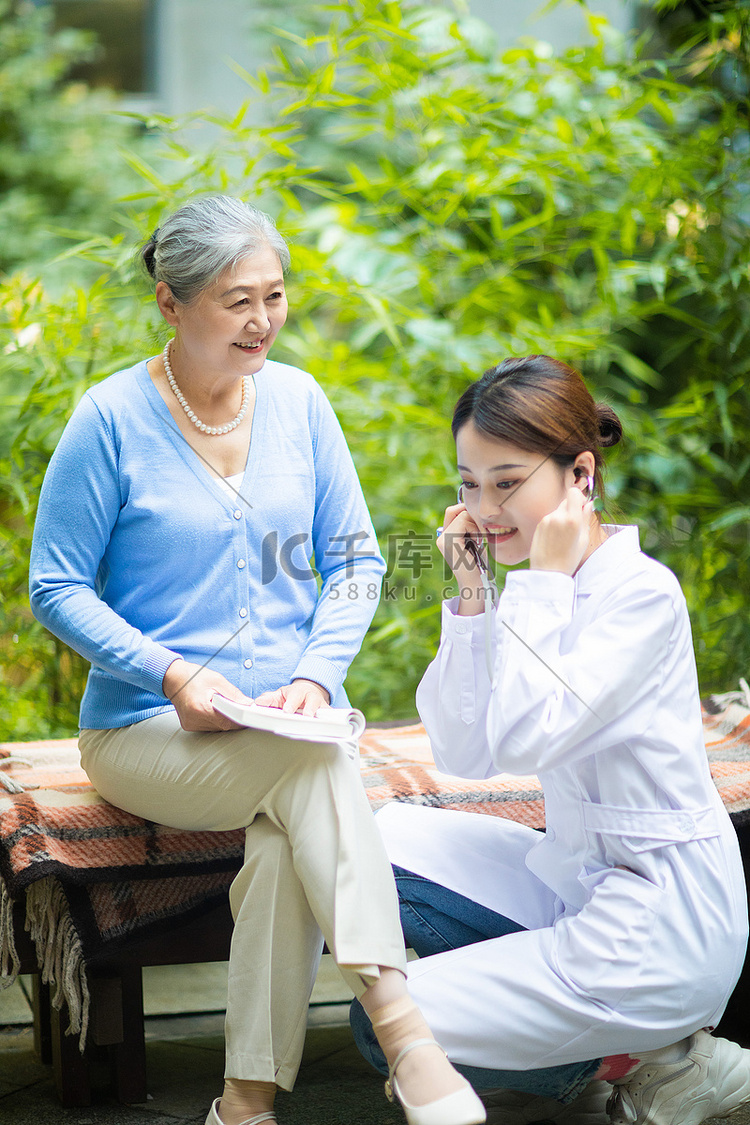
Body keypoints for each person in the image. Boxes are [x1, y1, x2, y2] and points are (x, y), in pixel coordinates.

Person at [29, 195, 487, 1125]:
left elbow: (358, 561)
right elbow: (57, 587)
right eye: (236, 300)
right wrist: (175, 674)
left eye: (273, 296)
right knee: (318, 764)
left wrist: (315, 677)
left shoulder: (300, 402)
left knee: (290, 823)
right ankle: (403, 1027)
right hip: (143, 729)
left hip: (290, 722)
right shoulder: (109, 420)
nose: (261, 320)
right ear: (170, 303)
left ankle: (243, 1102)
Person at [351, 354, 750, 1125]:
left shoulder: (640, 596)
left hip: (663, 922)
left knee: (389, 1029)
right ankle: (653, 1054)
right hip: (580, 883)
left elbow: (529, 737)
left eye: (507, 481)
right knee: (367, 847)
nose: (485, 507)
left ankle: (654, 1063)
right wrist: (471, 596)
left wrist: (540, 579)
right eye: (469, 483)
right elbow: (468, 753)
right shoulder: (540, 588)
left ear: (580, 476)